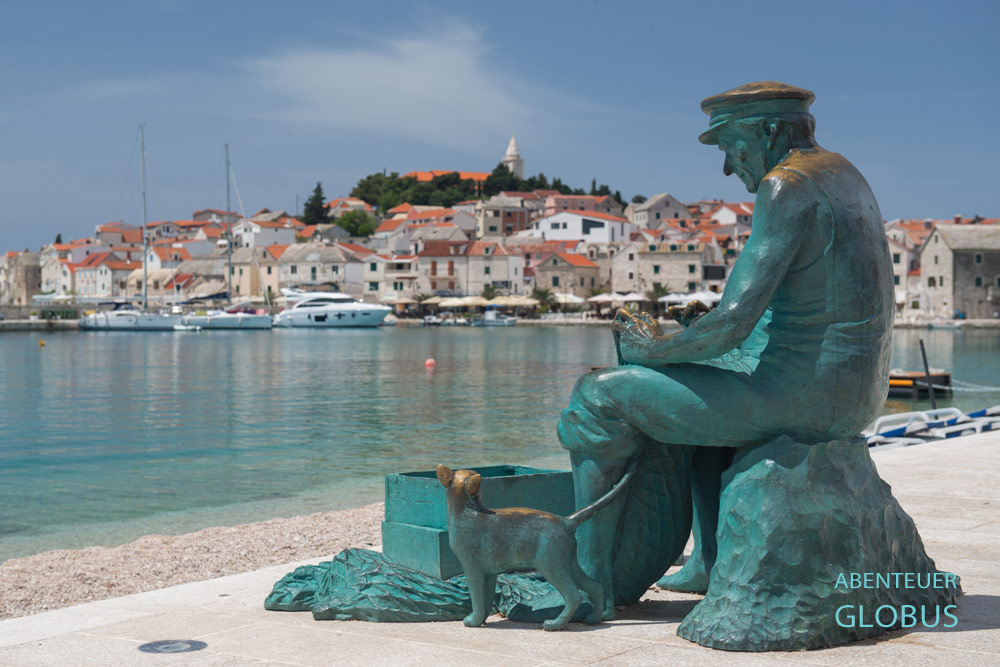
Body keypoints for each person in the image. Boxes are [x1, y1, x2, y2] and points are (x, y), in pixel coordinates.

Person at [557, 82, 894, 616]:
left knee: (596, 396)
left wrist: (651, 348)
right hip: (853, 394)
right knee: (698, 375)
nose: (728, 168)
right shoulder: (844, 175)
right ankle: (710, 559)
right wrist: (694, 341)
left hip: (803, 396)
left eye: (732, 149)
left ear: (769, 132)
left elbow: (734, 323)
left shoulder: (785, 187)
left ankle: (588, 585)